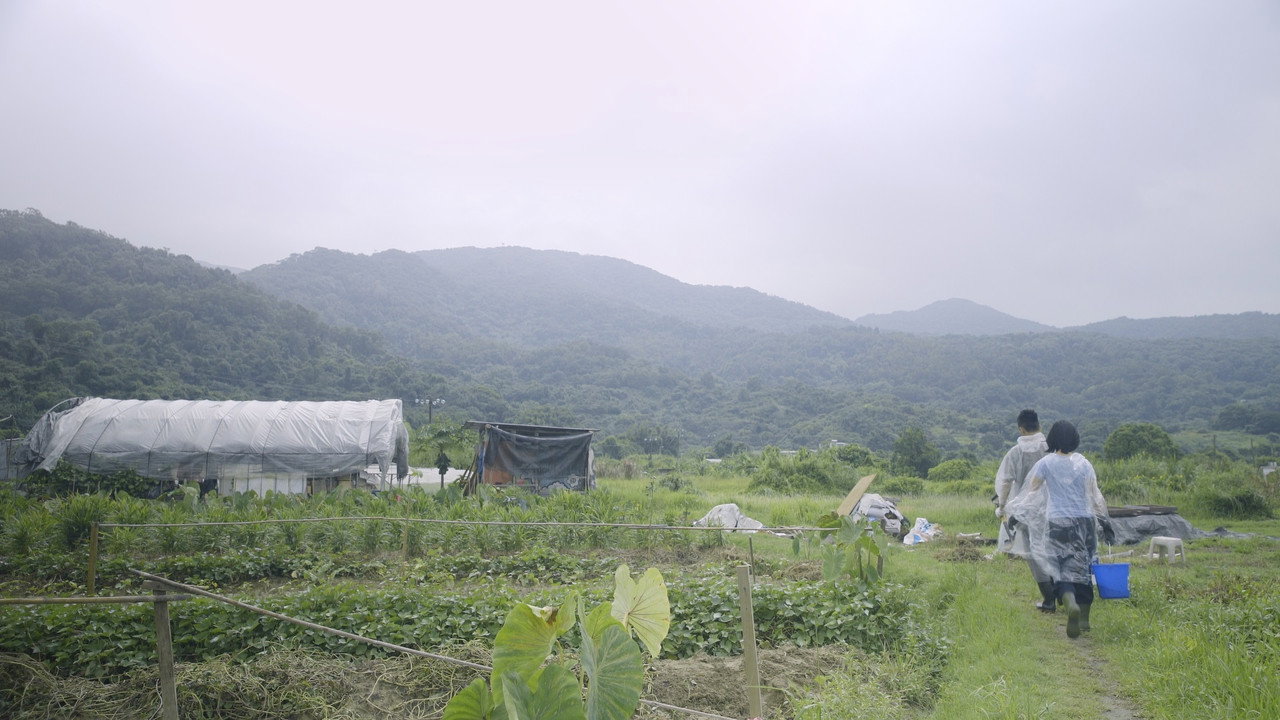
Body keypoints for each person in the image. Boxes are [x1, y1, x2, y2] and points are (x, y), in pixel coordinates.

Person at [1008, 420, 1108, 638]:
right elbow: (1095, 495)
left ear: (1052, 439)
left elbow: (1030, 493)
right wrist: (1105, 522)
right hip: (1085, 522)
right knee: (1083, 567)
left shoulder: (1046, 463)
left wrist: (1016, 515)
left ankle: (1069, 601)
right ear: (1075, 439)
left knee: (1060, 567)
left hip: (1057, 521)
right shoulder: (1084, 463)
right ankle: (1084, 618)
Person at [994, 410, 1051, 611]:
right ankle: (1061, 590)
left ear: (1021, 428)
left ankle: (1049, 598)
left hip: (1026, 511)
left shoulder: (1015, 452)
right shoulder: (1051, 448)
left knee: (1033, 553)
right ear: (1039, 425)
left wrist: (1002, 507)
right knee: (1052, 548)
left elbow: (1005, 482)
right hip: (1052, 508)